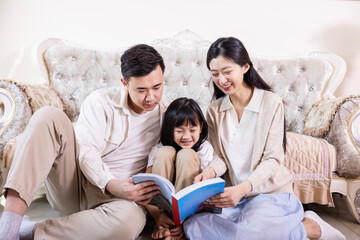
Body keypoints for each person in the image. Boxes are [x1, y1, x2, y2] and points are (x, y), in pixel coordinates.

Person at [0, 44, 170, 240]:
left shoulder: (169, 114)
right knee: (48, 116)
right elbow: (86, 151)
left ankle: (31, 230)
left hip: (123, 200)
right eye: (141, 90)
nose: (151, 97)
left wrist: (157, 211)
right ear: (125, 83)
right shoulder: (101, 101)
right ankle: (9, 226)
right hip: (77, 185)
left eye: (157, 87)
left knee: (130, 222)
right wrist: (112, 184)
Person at [182, 37, 346, 240]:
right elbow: (220, 158)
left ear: (245, 67)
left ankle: (309, 227)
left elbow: (273, 159)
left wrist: (242, 189)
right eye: (215, 74)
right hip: (236, 197)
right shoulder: (214, 110)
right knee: (193, 226)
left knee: (248, 234)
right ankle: (291, 229)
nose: (221, 80)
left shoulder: (270, 102)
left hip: (270, 193)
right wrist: (208, 172)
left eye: (227, 72)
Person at [144, 97, 213, 239]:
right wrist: (157, 215)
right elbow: (146, 189)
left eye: (192, 129)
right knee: (165, 152)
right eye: (179, 130)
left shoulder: (204, 149)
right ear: (170, 129)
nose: (186, 136)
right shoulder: (158, 149)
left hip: (190, 211)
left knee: (187, 154)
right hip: (160, 210)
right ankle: (166, 226)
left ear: (200, 126)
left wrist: (185, 222)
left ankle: (179, 225)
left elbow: (206, 191)